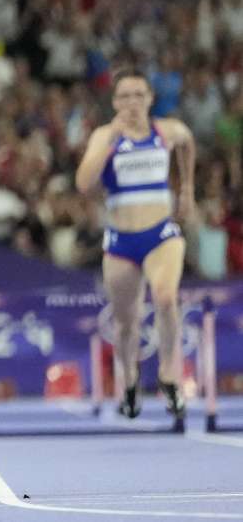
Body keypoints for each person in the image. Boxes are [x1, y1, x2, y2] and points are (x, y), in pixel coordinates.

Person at [76, 69, 194, 420]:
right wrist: (111, 138)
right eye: (124, 96)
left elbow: (187, 141)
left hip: (161, 234)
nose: (132, 102)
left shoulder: (166, 131)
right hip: (121, 241)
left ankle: (169, 375)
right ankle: (129, 381)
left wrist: (187, 188)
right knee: (126, 322)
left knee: (166, 297)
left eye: (139, 95)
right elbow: (83, 183)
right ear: (114, 102)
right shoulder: (104, 135)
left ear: (150, 99)